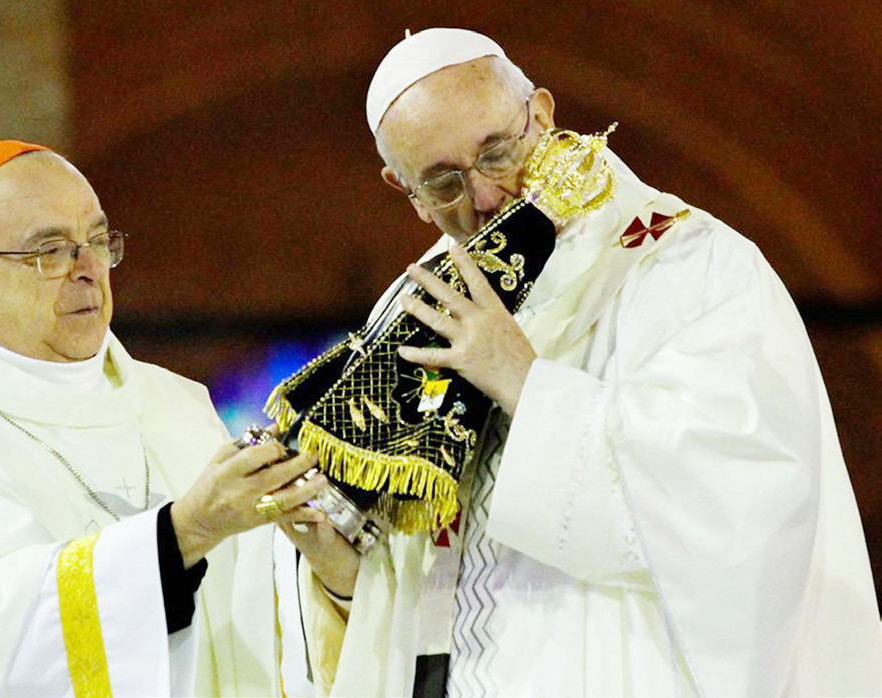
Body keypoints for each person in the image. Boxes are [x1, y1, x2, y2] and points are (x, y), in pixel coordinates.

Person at [282, 28, 882, 698]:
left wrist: (524, 382)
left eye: (497, 152)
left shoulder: (691, 265)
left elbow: (740, 506)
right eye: (444, 182)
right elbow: (406, 583)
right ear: (406, 191)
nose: (486, 196)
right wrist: (334, 567)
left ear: (541, 114)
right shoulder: (413, 308)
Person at [0, 140, 326, 697]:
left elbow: (264, 619)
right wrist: (181, 533)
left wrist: (330, 575)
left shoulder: (176, 407)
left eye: (97, 241)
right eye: (50, 251)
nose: (90, 269)